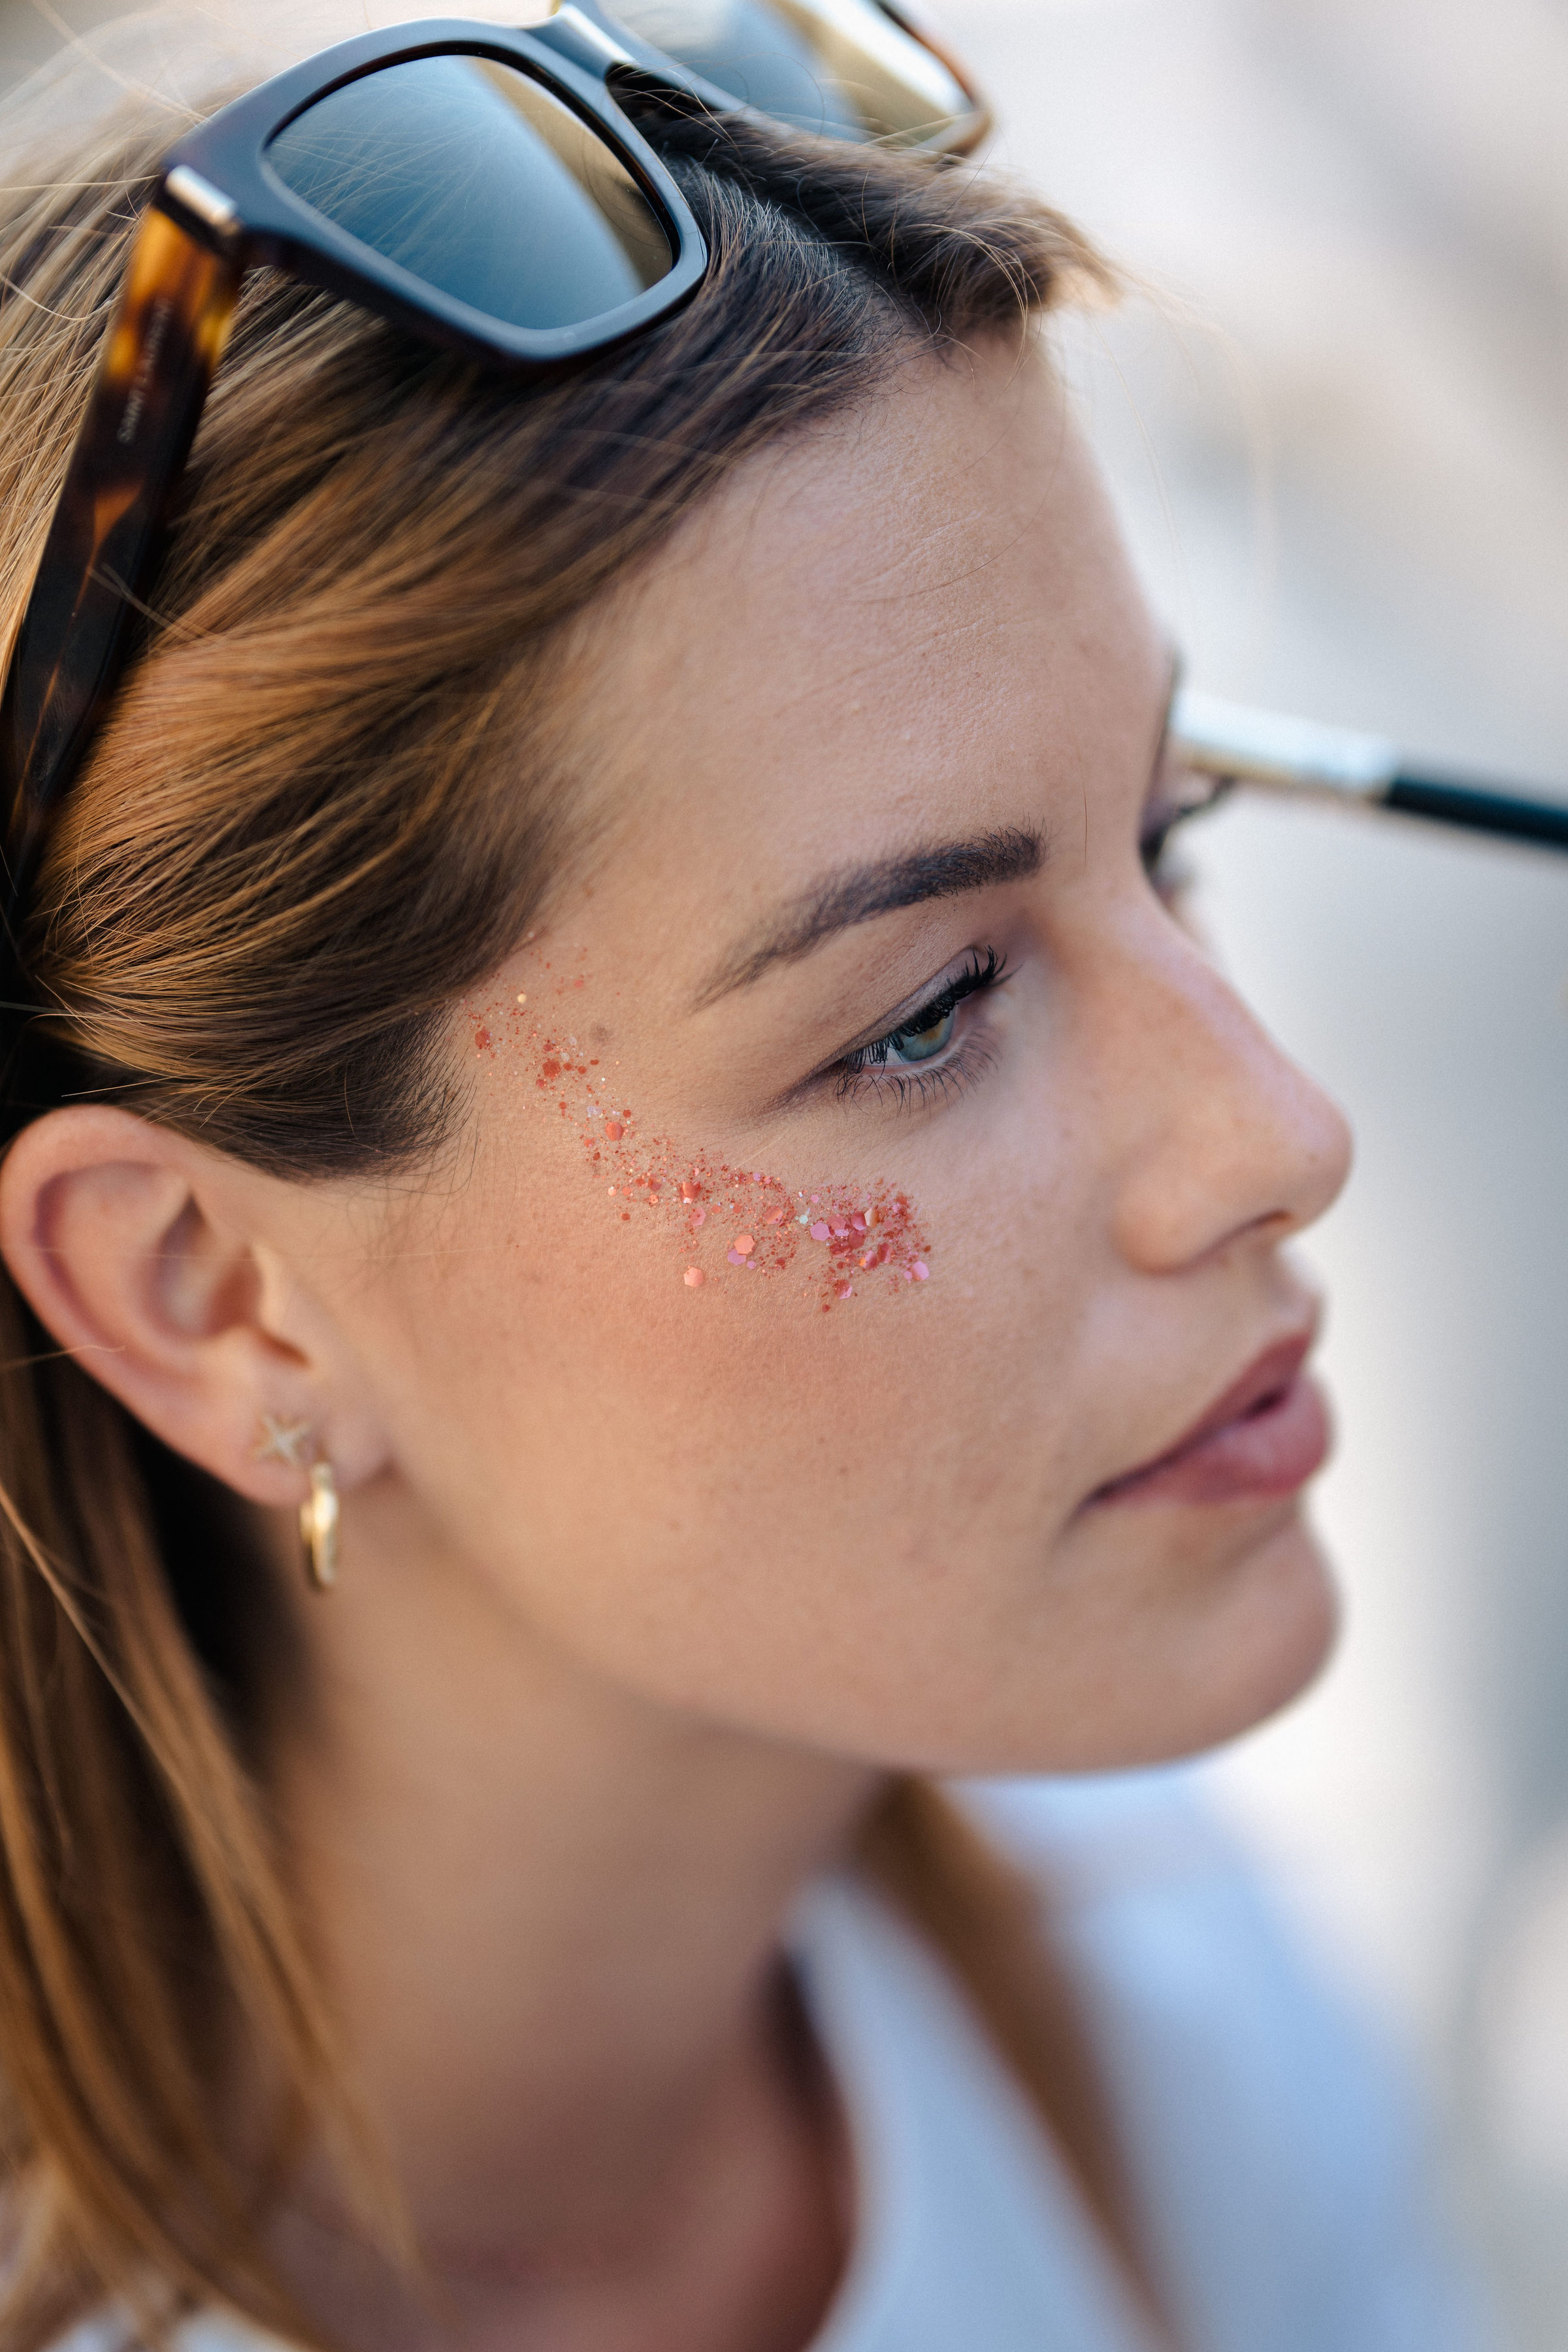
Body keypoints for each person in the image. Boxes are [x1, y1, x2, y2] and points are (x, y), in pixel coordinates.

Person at [0, 12, 1481, 2351]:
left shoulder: (1176, 2011)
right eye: (920, 1013)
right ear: (217, 1297)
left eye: (1165, 838)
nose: (1280, 1141)